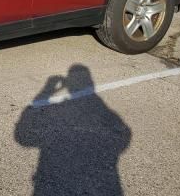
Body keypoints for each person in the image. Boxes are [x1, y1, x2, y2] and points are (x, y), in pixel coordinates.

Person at [14, 64, 132, 195]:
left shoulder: (100, 108)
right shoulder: (104, 109)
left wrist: (48, 89)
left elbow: (22, 139)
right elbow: (125, 135)